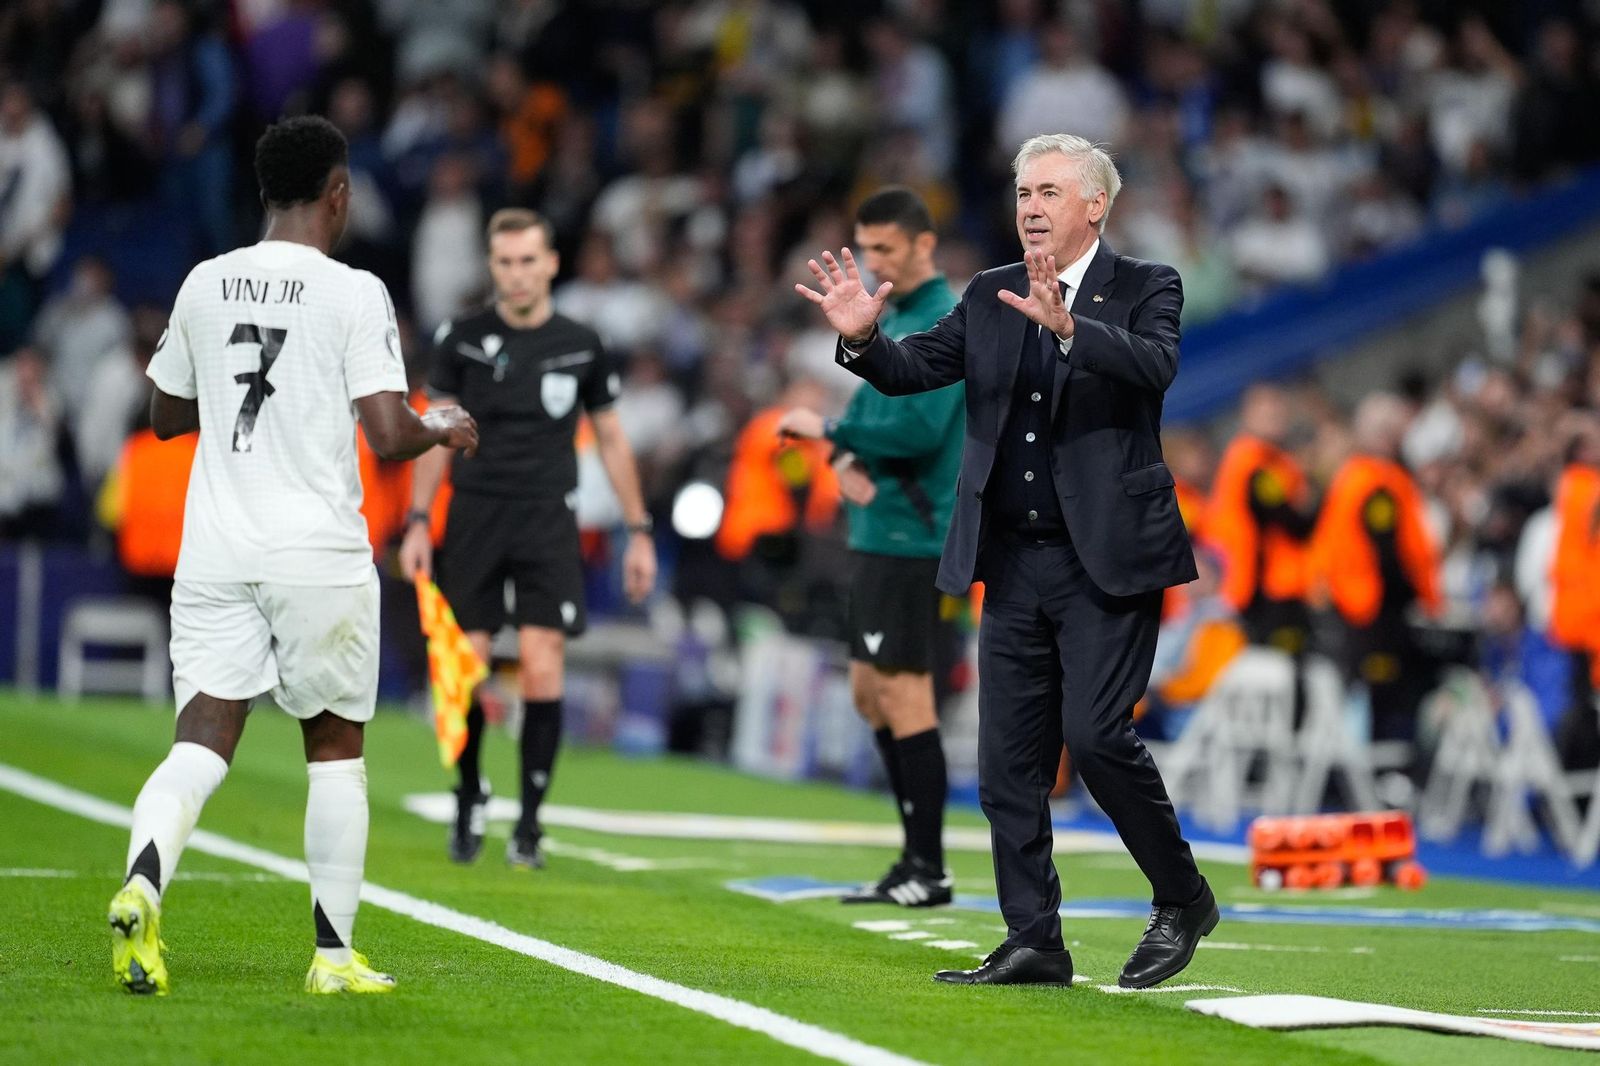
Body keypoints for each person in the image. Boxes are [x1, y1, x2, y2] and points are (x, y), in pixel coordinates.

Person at [797, 133, 1217, 989]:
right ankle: (1035, 938)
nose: (1030, 206)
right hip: (1013, 557)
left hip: (1107, 558)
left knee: (1097, 737)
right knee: (1005, 764)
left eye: (1051, 192)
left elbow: (1158, 366)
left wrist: (1074, 329)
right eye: (1024, 191)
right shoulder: (987, 294)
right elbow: (915, 369)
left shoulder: (1146, 286)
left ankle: (1182, 896)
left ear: (1096, 205)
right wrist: (864, 342)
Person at [108, 116, 479, 997]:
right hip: (316, 554)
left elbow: (163, 416)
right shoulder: (354, 292)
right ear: (338, 194)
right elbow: (389, 435)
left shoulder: (205, 282)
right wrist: (441, 424)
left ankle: (141, 884)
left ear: (265, 191)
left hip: (215, 552)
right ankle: (332, 956)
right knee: (336, 751)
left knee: (200, 741)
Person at [399, 208, 657, 870]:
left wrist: (639, 531)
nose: (516, 273)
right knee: (465, 668)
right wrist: (420, 520)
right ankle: (467, 796)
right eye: (505, 262)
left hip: (548, 514)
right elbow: (435, 429)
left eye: (527, 260)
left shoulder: (582, 342)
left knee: (543, 665)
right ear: (493, 267)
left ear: (550, 264)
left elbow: (611, 437)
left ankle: (531, 824)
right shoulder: (461, 336)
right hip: (476, 512)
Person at [777, 186, 963, 907]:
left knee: (903, 691)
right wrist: (846, 450)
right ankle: (913, 857)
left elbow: (920, 431)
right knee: (869, 693)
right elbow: (867, 412)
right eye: (868, 246)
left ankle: (930, 867)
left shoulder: (944, 316)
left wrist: (832, 435)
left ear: (925, 246)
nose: (875, 261)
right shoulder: (899, 315)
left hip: (914, 532)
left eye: (888, 248)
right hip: (878, 527)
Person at [1309, 393, 1442, 754]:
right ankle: (1392, 778)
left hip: (1354, 611)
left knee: (1369, 700)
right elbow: (1387, 554)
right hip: (1376, 615)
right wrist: (1414, 599)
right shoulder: (1377, 484)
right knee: (1390, 703)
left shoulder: (1353, 476)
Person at [1205, 384, 1316, 657]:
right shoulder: (1253, 463)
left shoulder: (1270, 459)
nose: (1276, 418)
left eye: (1279, 412)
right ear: (1248, 417)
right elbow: (1291, 520)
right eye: (1267, 414)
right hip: (1267, 588)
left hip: (1270, 585)